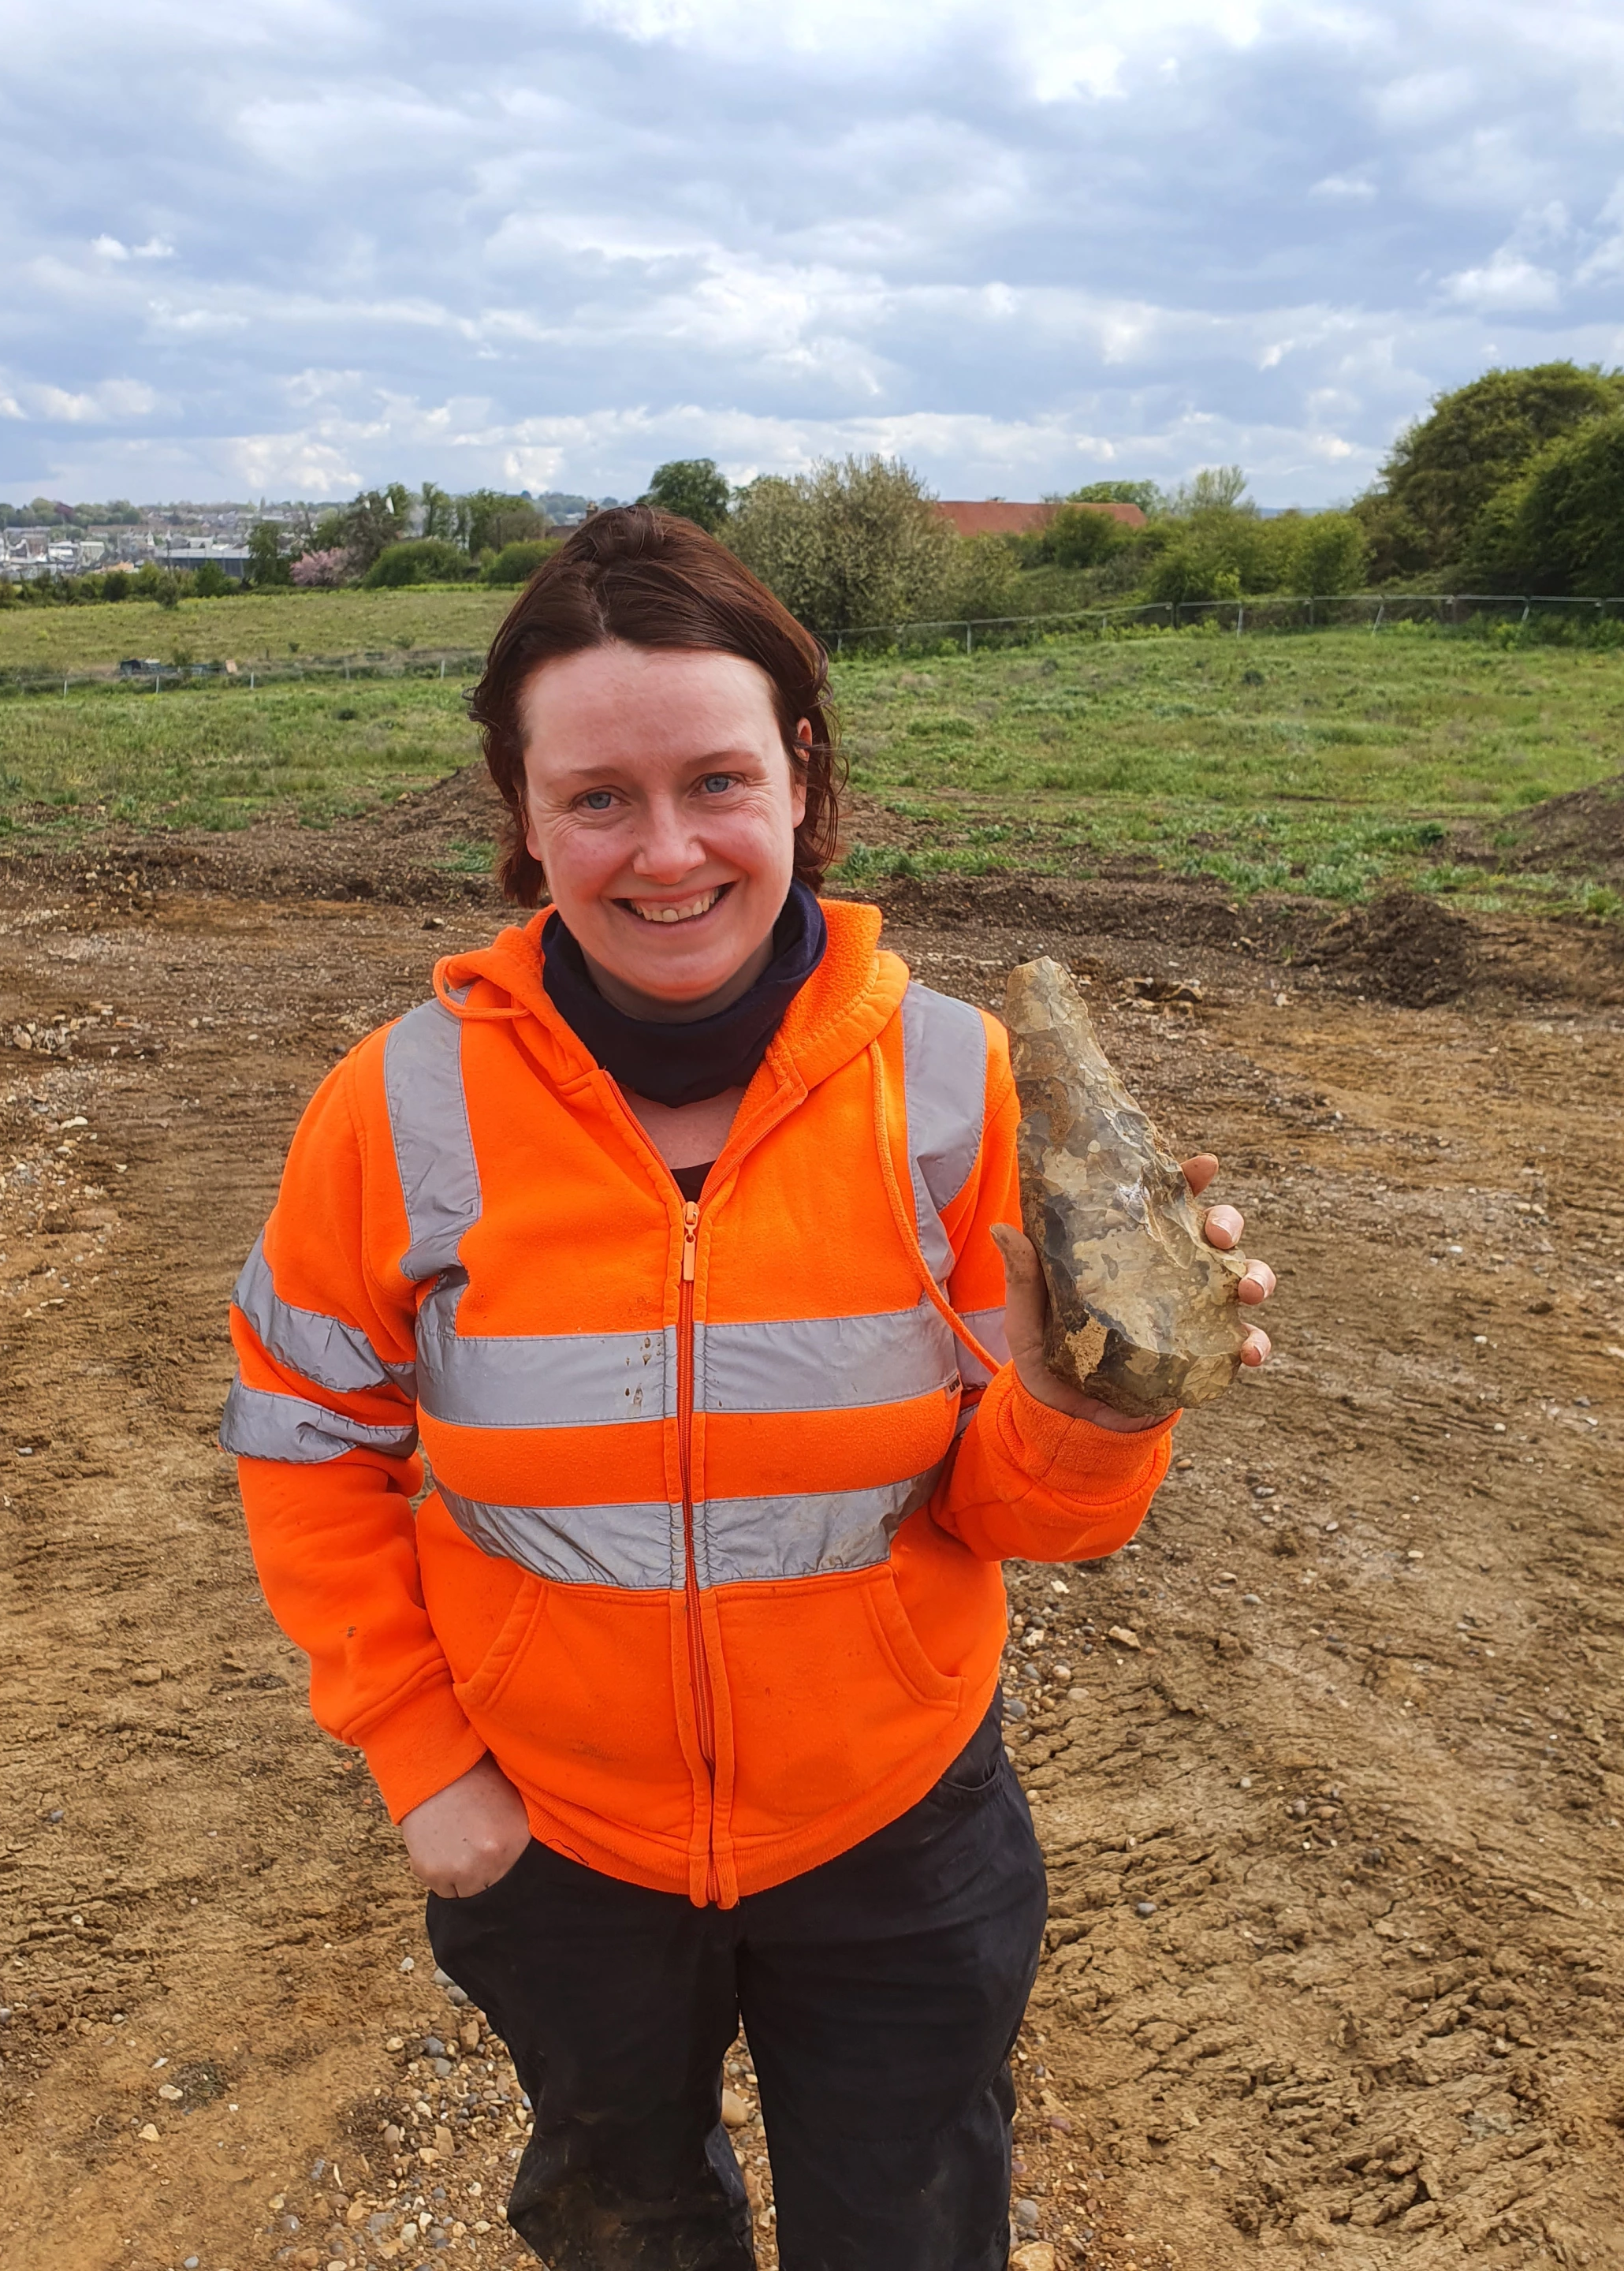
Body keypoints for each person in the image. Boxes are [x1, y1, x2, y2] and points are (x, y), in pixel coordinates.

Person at [223, 506, 1274, 2271]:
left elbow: (1021, 1518)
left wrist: (1099, 1408)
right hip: (555, 1841)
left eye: (717, 781)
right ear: (521, 813)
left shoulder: (960, 1083)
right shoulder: (394, 1107)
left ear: (801, 776)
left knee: (911, 2226)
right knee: (623, 2216)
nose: (666, 853)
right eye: (596, 798)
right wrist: (421, 1758)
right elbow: (305, 1439)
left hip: (898, 1829)